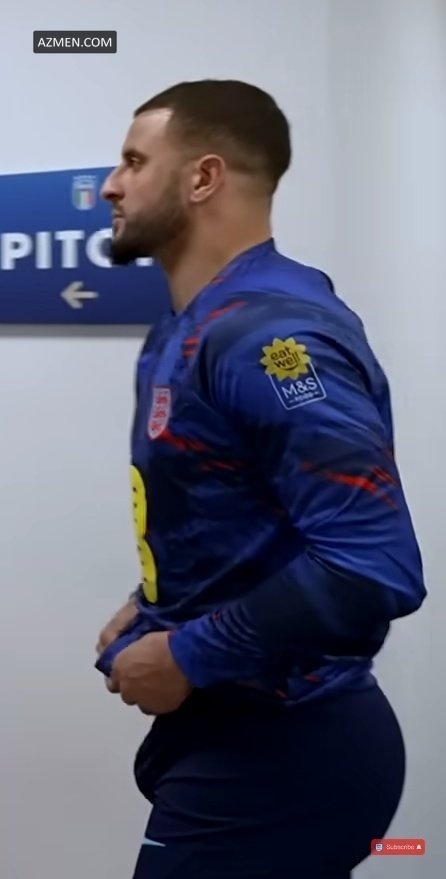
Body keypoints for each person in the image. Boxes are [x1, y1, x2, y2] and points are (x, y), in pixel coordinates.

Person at [95, 79, 426, 878]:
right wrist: (153, 602)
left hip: (292, 747)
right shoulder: (185, 327)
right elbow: (242, 512)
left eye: (134, 161)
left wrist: (187, 652)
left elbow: (370, 564)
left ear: (203, 177)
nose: (109, 184)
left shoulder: (272, 337)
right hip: (227, 734)